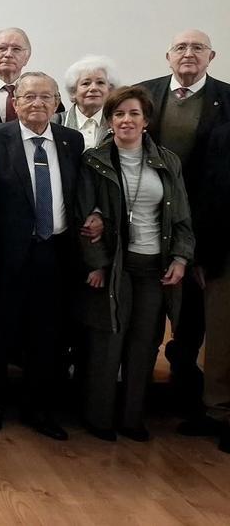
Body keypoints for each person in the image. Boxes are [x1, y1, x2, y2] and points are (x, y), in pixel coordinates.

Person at [0, 72, 96, 440]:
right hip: (7, 255)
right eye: (29, 97)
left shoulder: (72, 141)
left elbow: (80, 192)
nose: (37, 104)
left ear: (58, 103)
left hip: (55, 252)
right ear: (15, 102)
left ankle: (38, 410)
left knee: (48, 337)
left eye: (46, 97)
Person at [79, 86, 193, 441]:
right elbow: (86, 217)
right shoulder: (94, 160)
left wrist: (181, 257)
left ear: (146, 122)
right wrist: (96, 264)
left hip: (154, 267)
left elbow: (182, 217)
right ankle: (99, 420)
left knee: (145, 343)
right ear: (110, 121)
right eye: (119, 115)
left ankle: (132, 419)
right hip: (114, 267)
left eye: (134, 114)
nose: (126, 120)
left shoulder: (168, 161)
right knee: (108, 342)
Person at [138, 30, 229, 419]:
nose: (188, 54)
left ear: (212, 56)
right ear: (167, 56)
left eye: (197, 48)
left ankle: (187, 386)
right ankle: (137, 391)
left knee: (193, 312)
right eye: (180, 48)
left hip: (205, 221)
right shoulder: (143, 94)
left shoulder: (228, 99)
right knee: (146, 306)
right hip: (146, 218)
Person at [195, 119, 230, 452]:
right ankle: (217, 410)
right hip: (224, 250)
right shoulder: (221, 133)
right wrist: (202, 254)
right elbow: (210, 192)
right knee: (220, 337)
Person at [59, 56, 118, 150]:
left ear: (110, 90)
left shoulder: (118, 123)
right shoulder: (56, 122)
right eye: (86, 83)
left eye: (100, 83)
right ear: (73, 91)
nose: (93, 88)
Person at [0, 28, 34, 124]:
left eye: (16, 49)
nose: (8, 54)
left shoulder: (43, 96)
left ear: (27, 57)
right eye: (2, 48)